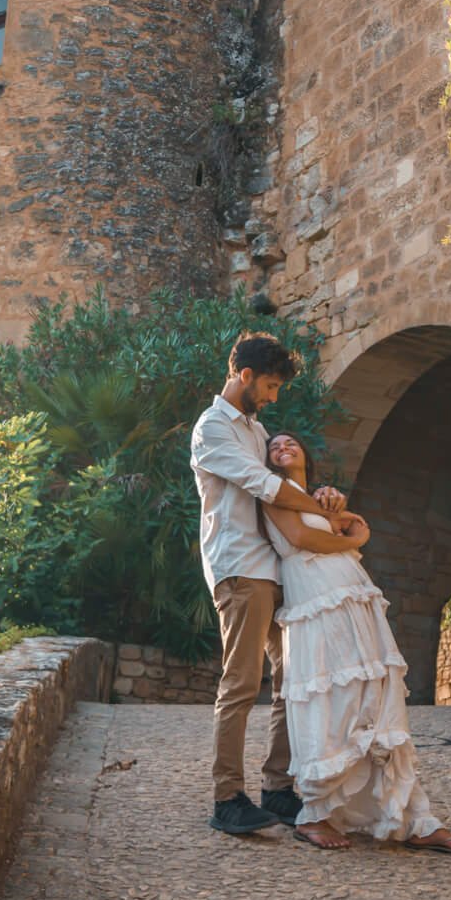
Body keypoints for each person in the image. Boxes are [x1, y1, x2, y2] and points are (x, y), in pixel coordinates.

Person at [261, 430, 451, 855]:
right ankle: (317, 813)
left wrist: (344, 520)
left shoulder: (318, 496)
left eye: (291, 443)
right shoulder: (272, 492)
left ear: (305, 453)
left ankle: (412, 816)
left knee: (376, 694)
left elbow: (354, 521)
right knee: (328, 693)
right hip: (313, 594)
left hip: (351, 590)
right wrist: (352, 541)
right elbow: (303, 539)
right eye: (274, 446)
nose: (283, 448)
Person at [190, 332, 347, 837]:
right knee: (240, 684)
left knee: (288, 684)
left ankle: (277, 789)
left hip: (275, 568)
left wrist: (318, 492)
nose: (275, 397)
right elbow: (264, 487)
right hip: (240, 568)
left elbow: (282, 492)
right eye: (272, 386)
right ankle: (226, 798)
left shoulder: (256, 432)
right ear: (245, 376)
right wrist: (319, 507)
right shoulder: (212, 429)